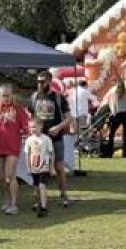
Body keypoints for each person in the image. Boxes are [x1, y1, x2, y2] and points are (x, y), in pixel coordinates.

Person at [0, 84, 30, 215]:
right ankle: (6, 199)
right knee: (1, 178)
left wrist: (31, 133)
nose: (7, 98)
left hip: (12, 147)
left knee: (10, 175)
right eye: (4, 96)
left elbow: (26, 126)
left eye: (9, 95)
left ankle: (14, 204)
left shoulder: (18, 109)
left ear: (12, 94)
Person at [31, 71, 73, 207]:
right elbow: (30, 116)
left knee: (59, 167)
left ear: (49, 82)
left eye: (42, 82)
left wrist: (58, 127)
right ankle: (39, 198)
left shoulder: (58, 98)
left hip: (56, 138)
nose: (39, 84)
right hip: (39, 139)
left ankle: (64, 195)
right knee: (37, 167)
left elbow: (68, 118)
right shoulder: (34, 97)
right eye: (38, 81)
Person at [24, 117, 55, 218]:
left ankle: (44, 207)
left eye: (34, 127)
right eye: (30, 127)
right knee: (36, 188)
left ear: (40, 126)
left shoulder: (46, 139)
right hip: (34, 167)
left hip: (44, 167)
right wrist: (28, 167)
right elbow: (27, 154)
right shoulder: (29, 140)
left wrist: (51, 167)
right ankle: (39, 203)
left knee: (42, 186)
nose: (32, 129)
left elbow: (51, 154)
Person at [105, 80, 126, 158]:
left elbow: (112, 107)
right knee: (125, 134)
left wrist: (113, 114)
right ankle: (125, 153)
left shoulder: (113, 95)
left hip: (116, 114)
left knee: (111, 134)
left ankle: (110, 152)